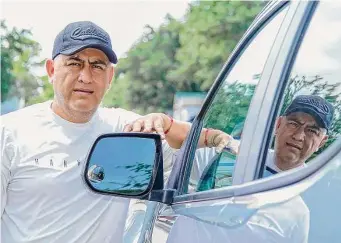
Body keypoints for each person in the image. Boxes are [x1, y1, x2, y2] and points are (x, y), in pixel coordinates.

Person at [0, 21, 233, 243]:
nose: (86, 76)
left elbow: (206, 142)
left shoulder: (128, 131)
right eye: (74, 63)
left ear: (110, 77)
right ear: (51, 70)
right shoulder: (10, 132)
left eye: (97, 66)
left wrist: (167, 123)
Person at [167, 95, 334, 243]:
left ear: (322, 142)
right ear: (278, 125)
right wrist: (166, 123)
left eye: (312, 131)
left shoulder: (309, 203)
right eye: (293, 124)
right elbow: (169, 149)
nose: (299, 136)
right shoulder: (232, 155)